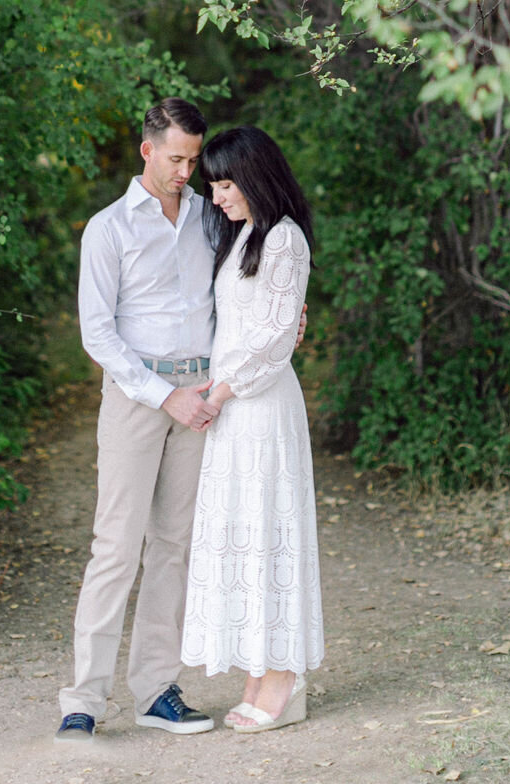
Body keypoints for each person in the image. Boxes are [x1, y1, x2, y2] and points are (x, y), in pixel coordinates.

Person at [55, 97, 217, 741]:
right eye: (176, 158)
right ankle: (84, 701)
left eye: (194, 160)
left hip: (200, 397)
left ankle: (156, 688)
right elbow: (98, 333)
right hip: (135, 397)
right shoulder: (109, 228)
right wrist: (161, 392)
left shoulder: (211, 217)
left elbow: (242, 284)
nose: (186, 171)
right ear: (147, 150)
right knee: (115, 549)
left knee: (175, 549)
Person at [180, 124, 324, 732]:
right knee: (243, 531)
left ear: (256, 178)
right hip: (232, 405)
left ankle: (285, 676)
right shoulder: (242, 237)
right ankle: (258, 669)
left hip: (259, 405)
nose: (216, 197)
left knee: (270, 531)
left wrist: (221, 391)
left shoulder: (285, 240)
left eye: (225, 184)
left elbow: (272, 339)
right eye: (212, 185)